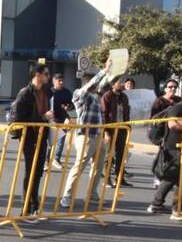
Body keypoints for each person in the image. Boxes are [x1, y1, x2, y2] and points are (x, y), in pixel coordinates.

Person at [147, 82, 182, 219]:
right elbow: (172, 124)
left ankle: (156, 204)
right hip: (174, 148)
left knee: (172, 177)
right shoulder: (178, 107)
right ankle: (177, 210)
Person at [60, 59, 112, 210]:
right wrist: (104, 70)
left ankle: (92, 195)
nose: (97, 86)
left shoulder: (96, 97)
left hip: (98, 135)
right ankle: (67, 196)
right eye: (94, 83)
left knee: (98, 167)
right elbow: (92, 86)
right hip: (86, 136)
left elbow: (106, 84)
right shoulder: (79, 94)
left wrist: (115, 70)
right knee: (79, 166)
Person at [10, 65, 53, 218]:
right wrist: (42, 118)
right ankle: (26, 208)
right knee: (30, 171)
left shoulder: (46, 92)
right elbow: (20, 118)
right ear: (37, 75)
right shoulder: (25, 93)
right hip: (29, 137)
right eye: (46, 73)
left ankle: (35, 205)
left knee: (38, 172)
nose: (48, 76)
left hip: (42, 136)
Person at [101, 77, 132, 187]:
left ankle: (120, 179)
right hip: (111, 130)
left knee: (121, 155)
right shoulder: (107, 96)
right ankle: (107, 179)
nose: (122, 84)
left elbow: (127, 112)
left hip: (122, 129)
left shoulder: (124, 97)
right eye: (120, 82)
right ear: (113, 84)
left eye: (122, 82)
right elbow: (104, 114)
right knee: (109, 155)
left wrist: (128, 127)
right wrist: (106, 132)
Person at [49, 74, 73, 170]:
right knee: (51, 142)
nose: (61, 83)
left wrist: (69, 107)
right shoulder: (49, 92)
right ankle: (46, 161)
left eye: (62, 80)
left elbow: (71, 104)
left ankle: (56, 159)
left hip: (63, 119)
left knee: (61, 140)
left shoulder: (67, 92)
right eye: (59, 81)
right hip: (52, 119)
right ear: (54, 81)